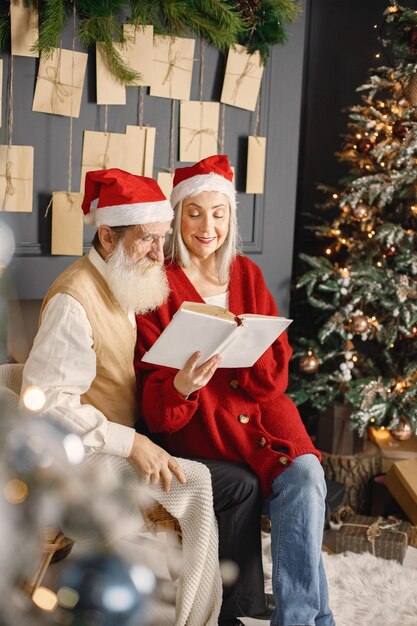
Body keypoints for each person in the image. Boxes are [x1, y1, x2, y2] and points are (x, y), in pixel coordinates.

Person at [135, 155, 336, 626]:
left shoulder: (248, 275)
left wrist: (251, 343)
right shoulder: (154, 288)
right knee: (267, 490)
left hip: (270, 424)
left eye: (219, 213)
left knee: (307, 481)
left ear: (231, 218)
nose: (208, 226)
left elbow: (275, 381)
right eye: (194, 212)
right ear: (178, 216)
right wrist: (183, 384)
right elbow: (157, 410)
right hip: (208, 434)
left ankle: (300, 620)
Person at [21, 168, 223, 626]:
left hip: (119, 435)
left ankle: (204, 610)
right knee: (199, 484)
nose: (160, 253)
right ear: (108, 236)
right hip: (79, 456)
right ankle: (200, 620)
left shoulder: (122, 280)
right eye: (147, 240)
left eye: (163, 238)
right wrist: (131, 443)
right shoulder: (75, 300)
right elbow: (47, 403)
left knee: (218, 470)